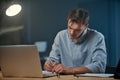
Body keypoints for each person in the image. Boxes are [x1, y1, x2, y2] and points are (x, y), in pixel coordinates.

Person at [44, 8, 107, 74]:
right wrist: (48, 65)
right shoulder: (60, 36)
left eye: (77, 30)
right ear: (68, 21)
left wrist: (70, 70)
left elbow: (100, 66)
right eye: (70, 27)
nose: (71, 33)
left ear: (86, 26)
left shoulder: (98, 37)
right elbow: (52, 60)